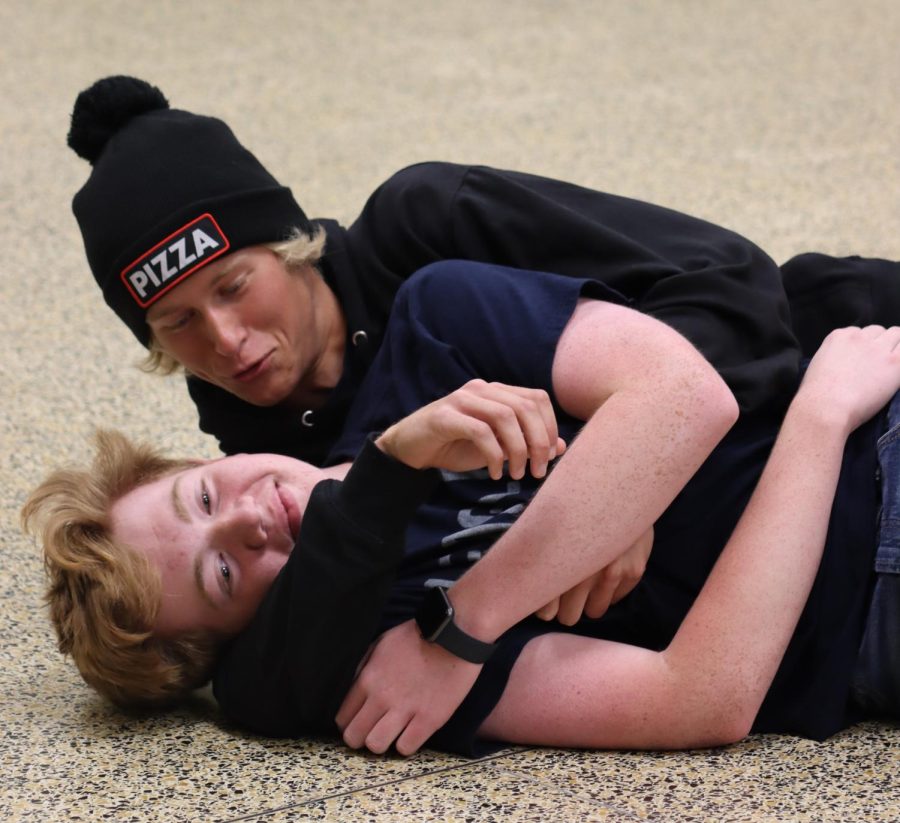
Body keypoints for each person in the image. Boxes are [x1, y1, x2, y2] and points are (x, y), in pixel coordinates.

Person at [23, 260, 898, 757]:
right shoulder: (396, 666)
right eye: (220, 572)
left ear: (210, 455)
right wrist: (821, 420)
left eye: (204, 494)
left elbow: (687, 396)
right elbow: (704, 697)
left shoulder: (431, 330)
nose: (246, 521)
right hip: (868, 593)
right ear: (239, 640)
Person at [70, 74, 864, 469]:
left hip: (851, 352)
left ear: (286, 240)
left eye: (235, 286)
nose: (227, 341)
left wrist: (613, 481)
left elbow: (731, 280)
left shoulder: (427, 223)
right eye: (177, 324)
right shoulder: (249, 436)